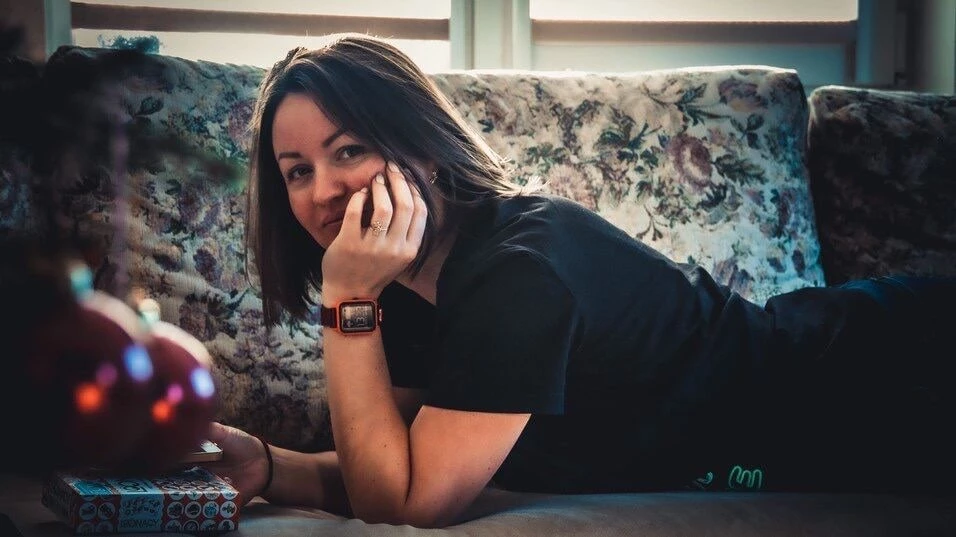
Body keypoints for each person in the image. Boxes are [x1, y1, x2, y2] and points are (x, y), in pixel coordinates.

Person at [204, 34, 956, 528]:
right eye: (296, 171)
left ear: (422, 150)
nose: (323, 192)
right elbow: (391, 466)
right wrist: (268, 465)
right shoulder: (403, 289)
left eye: (349, 151)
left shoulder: (517, 271)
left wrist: (346, 302)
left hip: (889, 373)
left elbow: (402, 504)